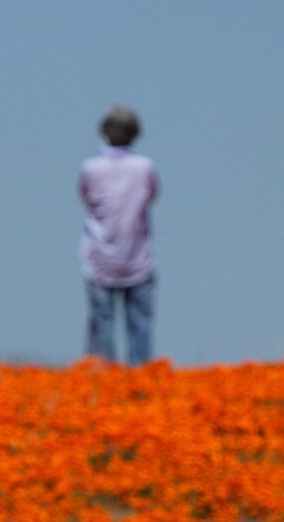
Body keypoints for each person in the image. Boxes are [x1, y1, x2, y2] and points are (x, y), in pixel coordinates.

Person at [78, 105, 160, 364]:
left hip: (99, 255)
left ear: (103, 132)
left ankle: (102, 382)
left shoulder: (90, 168)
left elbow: (86, 197)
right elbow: (152, 195)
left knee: (102, 321)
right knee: (139, 324)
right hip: (137, 256)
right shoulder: (145, 167)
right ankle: (139, 381)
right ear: (135, 134)